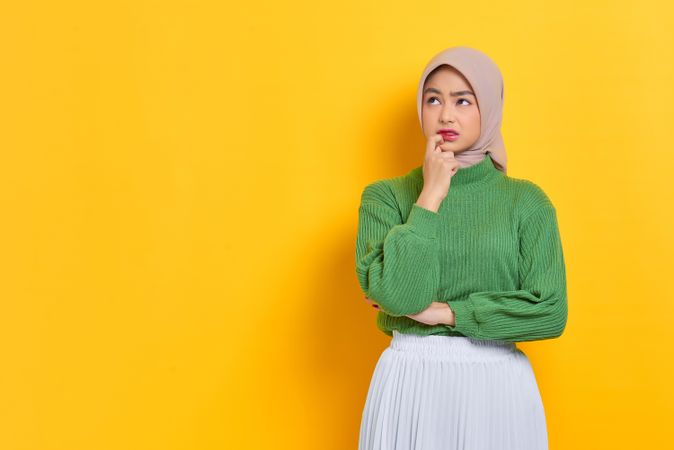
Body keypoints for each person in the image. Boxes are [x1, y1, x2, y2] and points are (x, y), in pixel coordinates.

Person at [355, 46, 568, 450]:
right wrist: (430, 196)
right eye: (433, 99)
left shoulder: (526, 202)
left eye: (463, 101)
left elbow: (550, 311)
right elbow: (400, 295)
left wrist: (444, 313)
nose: (445, 115)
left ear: (488, 107)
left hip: (497, 386)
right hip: (410, 381)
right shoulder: (385, 198)